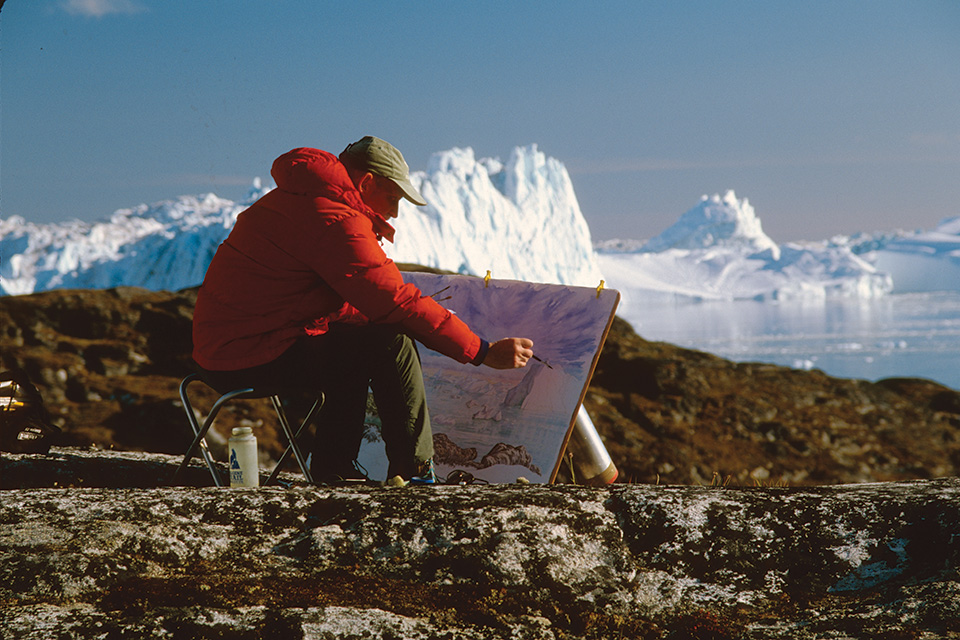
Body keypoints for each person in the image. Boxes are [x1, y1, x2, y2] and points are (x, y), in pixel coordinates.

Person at [191, 136, 534, 484]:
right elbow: (396, 300)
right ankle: (412, 472)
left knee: (358, 344)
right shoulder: (336, 220)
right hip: (248, 358)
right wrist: (482, 351)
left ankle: (335, 469)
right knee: (390, 342)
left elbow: (332, 300)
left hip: (224, 353)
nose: (395, 212)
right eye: (393, 197)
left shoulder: (294, 199)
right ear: (367, 182)